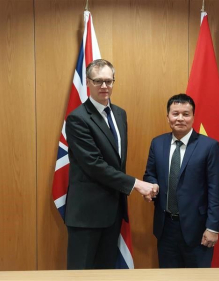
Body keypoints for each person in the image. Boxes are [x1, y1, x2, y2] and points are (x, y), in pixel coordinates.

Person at [65, 59, 158, 270]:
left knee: (106, 273)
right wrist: (136, 184)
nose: (104, 86)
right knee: (81, 275)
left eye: (108, 81)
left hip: (112, 211)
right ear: (88, 82)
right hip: (86, 216)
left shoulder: (119, 114)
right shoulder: (77, 118)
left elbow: (115, 161)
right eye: (98, 81)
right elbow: (93, 164)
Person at [143, 93, 219, 268]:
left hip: (198, 229)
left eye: (186, 114)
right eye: (175, 113)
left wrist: (213, 228)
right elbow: (149, 174)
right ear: (168, 117)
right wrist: (152, 185)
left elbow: (216, 190)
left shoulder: (209, 146)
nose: (180, 118)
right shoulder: (157, 143)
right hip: (165, 228)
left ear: (193, 117)